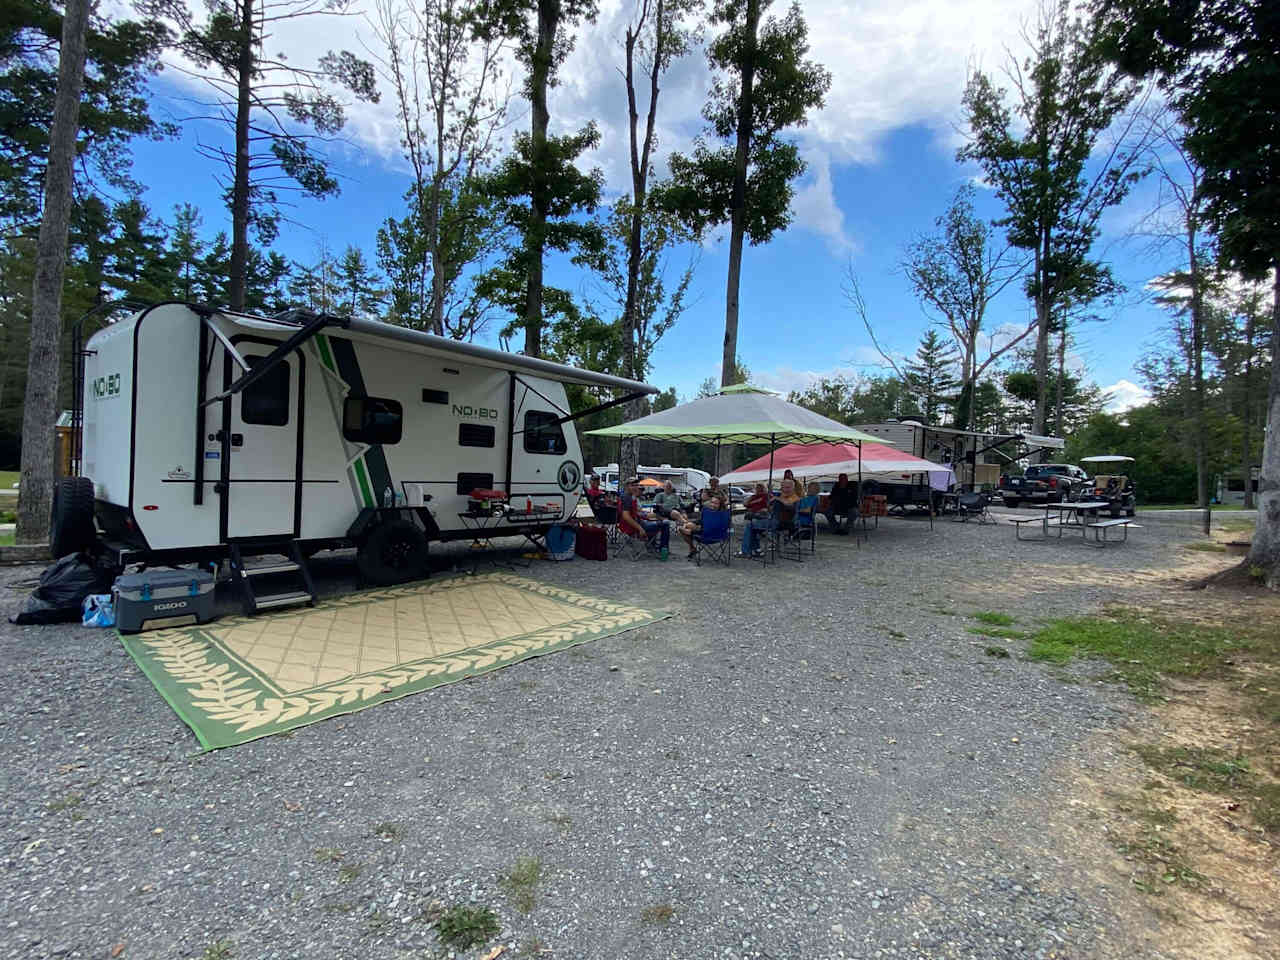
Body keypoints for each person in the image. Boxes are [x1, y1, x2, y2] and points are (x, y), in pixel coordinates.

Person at [740, 477, 800, 557]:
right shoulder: (782, 496)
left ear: (793, 488)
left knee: (750, 525)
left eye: (788, 487)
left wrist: (776, 499)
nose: (785, 490)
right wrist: (769, 506)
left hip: (784, 523)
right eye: (783, 487)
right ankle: (757, 550)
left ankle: (745, 551)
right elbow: (772, 509)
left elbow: (788, 504)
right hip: (775, 520)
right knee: (753, 525)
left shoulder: (794, 497)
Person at [619, 477, 670, 556]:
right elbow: (626, 516)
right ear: (627, 486)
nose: (636, 487)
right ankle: (662, 549)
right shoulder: (626, 498)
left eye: (637, 485)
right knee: (666, 523)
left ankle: (652, 546)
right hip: (633, 528)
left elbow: (634, 513)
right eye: (633, 485)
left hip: (636, 524)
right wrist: (640, 528)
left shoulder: (629, 496)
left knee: (656, 521)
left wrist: (645, 517)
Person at [677, 493, 726, 558]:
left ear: (720, 505)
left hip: (705, 535)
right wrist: (691, 523)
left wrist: (692, 525)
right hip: (721, 536)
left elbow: (705, 525)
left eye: (716, 503)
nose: (713, 505)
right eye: (712, 502)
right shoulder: (725, 513)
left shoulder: (707, 512)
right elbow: (700, 521)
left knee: (680, 529)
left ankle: (692, 548)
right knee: (688, 525)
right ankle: (692, 547)